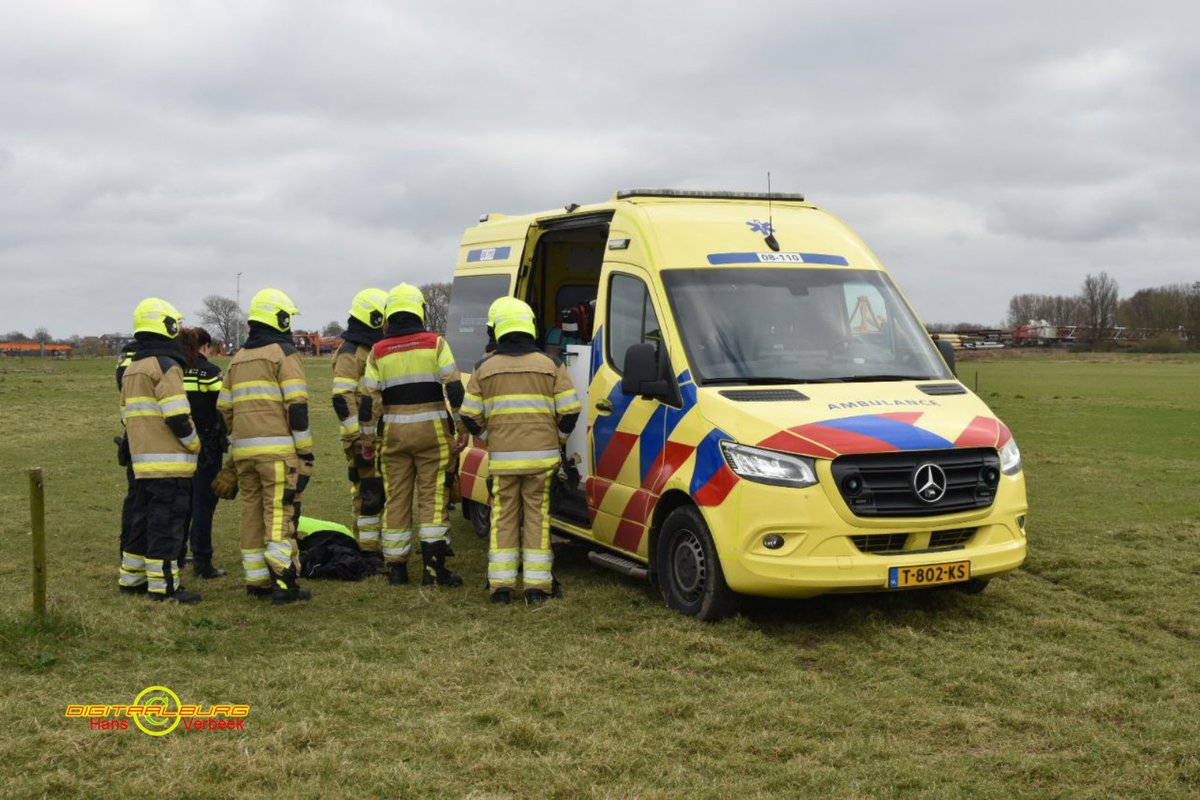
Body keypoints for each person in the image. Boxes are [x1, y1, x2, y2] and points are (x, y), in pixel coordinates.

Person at [460, 297, 581, 605]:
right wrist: (557, 439)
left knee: (502, 519)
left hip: (503, 462)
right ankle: (537, 590)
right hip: (542, 461)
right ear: (529, 326)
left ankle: (501, 588)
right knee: (538, 520)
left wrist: (491, 438)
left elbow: (468, 415)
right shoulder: (551, 365)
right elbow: (570, 411)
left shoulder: (483, 368)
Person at [361, 283, 466, 587]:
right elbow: (455, 388)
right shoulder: (436, 344)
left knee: (396, 498)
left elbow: (369, 402)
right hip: (432, 433)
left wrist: (368, 440)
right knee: (433, 498)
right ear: (419, 310)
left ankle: (396, 569)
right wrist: (460, 427)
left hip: (393, 435)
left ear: (389, 315)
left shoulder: (378, 351)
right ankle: (434, 570)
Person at [217, 288, 314, 605]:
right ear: (281, 318)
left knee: (252, 514)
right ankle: (284, 584)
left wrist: (240, 438)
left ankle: (256, 580)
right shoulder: (283, 355)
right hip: (277, 453)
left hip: (244, 453)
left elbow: (224, 407)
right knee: (278, 514)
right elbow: (297, 406)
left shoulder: (238, 358)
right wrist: (305, 451)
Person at [120, 298, 202, 604]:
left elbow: (125, 416)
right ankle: (165, 587)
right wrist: (195, 444)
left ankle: (131, 578)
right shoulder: (167, 366)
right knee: (166, 526)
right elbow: (178, 416)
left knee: (140, 523)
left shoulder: (133, 367)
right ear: (166, 326)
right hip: (169, 465)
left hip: (141, 464)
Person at [331, 288, 388, 567]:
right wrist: (357, 436)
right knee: (368, 491)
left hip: (375, 434)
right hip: (361, 438)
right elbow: (342, 398)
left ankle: (375, 545)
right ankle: (368, 551)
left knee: (380, 489)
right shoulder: (351, 352)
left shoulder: (368, 348)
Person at [180, 327, 227, 579]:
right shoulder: (209, 372)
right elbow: (223, 405)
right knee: (204, 504)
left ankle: (177, 553)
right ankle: (202, 559)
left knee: (181, 501)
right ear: (206, 347)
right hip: (207, 445)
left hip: (178, 444)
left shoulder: (175, 370)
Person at [115, 337, 140, 593]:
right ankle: (131, 552)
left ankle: (127, 550)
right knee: (139, 500)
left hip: (132, 433)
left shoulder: (125, 358)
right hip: (148, 439)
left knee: (134, 498)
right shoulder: (145, 358)